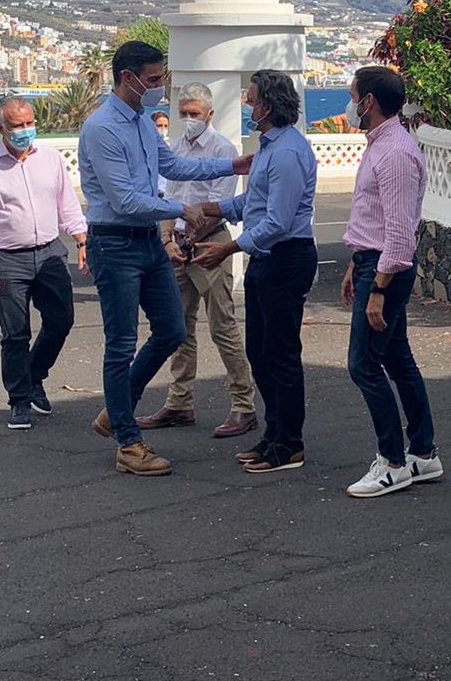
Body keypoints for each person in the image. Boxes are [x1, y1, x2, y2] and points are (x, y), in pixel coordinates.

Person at [81, 41, 252, 477]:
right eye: (155, 80)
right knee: (120, 344)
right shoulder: (102, 129)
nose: (161, 89)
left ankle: (117, 409)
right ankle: (127, 442)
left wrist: (230, 167)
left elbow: (173, 166)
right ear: (127, 77)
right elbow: (124, 199)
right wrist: (180, 210)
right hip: (116, 243)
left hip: (145, 244)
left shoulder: (140, 123)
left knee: (172, 329)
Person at [193, 69, 317, 474]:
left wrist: (227, 247)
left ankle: (289, 444)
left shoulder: (286, 152)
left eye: (251, 98)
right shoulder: (268, 147)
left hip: (285, 255)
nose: (247, 104)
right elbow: (254, 202)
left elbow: (278, 220)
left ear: (268, 105)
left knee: (281, 355)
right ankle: (274, 434)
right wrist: (212, 209)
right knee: (260, 353)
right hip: (268, 257)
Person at [135, 83, 259, 439]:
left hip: (210, 244)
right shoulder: (174, 149)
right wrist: (167, 240)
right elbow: (168, 199)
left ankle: (242, 405)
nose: (188, 119)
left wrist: (188, 240)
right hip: (177, 247)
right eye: (183, 113)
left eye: (194, 113)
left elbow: (215, 205)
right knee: (178, 329)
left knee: (223, 327)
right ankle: (179, 402)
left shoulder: (223, 150)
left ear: (209, 114)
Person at [0, 96, 87, 429]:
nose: (24, 130)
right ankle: (19, 400)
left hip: (49, 253)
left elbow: (67, 202)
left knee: (61, 319)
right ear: (0, 128)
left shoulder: (51, 159)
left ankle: (34, 376)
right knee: (15, 334)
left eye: (29, 123)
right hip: (6, 259)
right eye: (16, 125)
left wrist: (82, 240)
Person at [339, 66, 440, 498]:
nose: (349, 104)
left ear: (369, 102)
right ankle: (422, 453)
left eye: (352, 95)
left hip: (385, 271)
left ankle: (393, 462)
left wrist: (377, 287)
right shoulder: (382, 145)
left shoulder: (395, 152)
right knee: (397, 361)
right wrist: (355, 263)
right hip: (372, 263)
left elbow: (399, 232)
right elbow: (375, 219)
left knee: (363, 364)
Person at [152, 111, 170, 199]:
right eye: (159, 125)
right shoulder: (147, 147)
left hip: (167, 194)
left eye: (165, 126)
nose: (163, 129)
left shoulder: (171, 148)